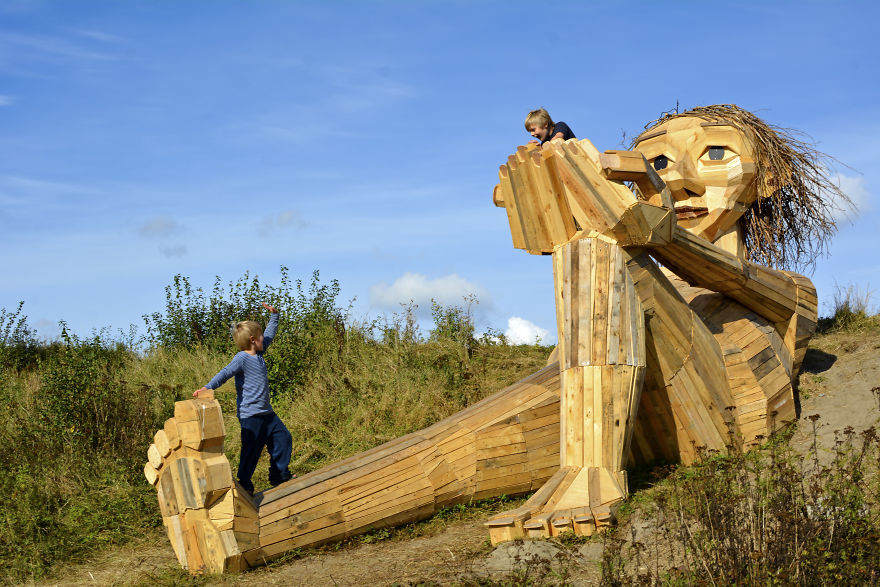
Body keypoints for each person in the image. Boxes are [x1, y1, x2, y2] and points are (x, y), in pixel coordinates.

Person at [194, 302, 293, 494]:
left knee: (283, 437)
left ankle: (279, 474)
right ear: (253, 339)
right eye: (261, 335)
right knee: (251, 451)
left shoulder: (259, 353)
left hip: (267, 413)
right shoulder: (241, 358)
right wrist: (207, 387)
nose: (266, 338)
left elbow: (270, 334)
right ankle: (244, 484)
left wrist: (275, 316)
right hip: (250, 416)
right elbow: (225, 373)